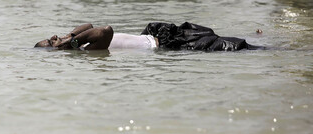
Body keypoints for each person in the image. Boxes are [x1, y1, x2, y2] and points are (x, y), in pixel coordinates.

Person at [34, 22, 264, 51]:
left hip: (168, 35)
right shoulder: (87, 49)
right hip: (173, 46)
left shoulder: (80, 40)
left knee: (234, 40)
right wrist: (70, 43)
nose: (54, 36)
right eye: (50, 40)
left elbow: (89, 24)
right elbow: (105, 30)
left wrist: (67, 37)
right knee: (240, 47)